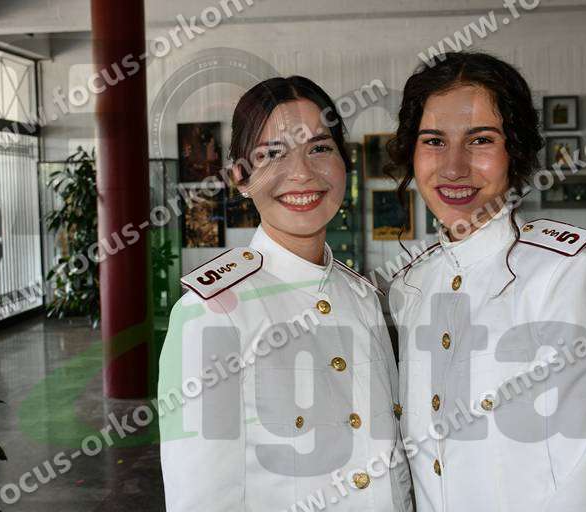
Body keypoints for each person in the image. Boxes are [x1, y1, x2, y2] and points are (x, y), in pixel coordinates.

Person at [387, 52, 586, 511]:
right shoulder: (411, 283)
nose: (453, 167)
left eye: (480, 139)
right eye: (434, 141)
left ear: (515, 151)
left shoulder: (565, 275)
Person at [159, 76, 413, 512]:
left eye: (320, 148)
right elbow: (202, 499)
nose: (301, 173)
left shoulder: (362, 296)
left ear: (344, 163)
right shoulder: (212, 312)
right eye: (272, 153)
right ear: (241, 177)